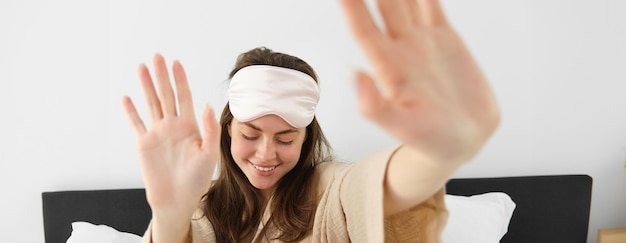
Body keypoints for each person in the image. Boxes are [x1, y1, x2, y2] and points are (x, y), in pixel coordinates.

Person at [121, 0, 500, 242]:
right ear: (227, 131)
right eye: (251, 134)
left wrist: (437, 153)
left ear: (306, 138)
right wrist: (169, 217)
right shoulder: (197, 204)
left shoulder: (326, 190)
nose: (266, 154)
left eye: (286, 138)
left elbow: (374, 189)